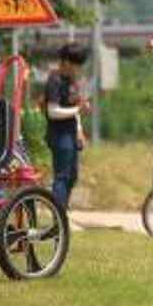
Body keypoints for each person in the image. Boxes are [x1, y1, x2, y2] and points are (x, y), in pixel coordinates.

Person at [42, 44, 90, 210]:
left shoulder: (71, 81)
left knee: (72, 176)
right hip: (59, 134)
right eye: (77, 64)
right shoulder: (54, 81)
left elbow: (74, 107)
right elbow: (52, 111)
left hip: (71, 133)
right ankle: (59, 213)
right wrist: (78, 109)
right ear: (67, 62)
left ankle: (62, 209)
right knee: (62, 176)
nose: (79, 69)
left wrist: (79, 130)